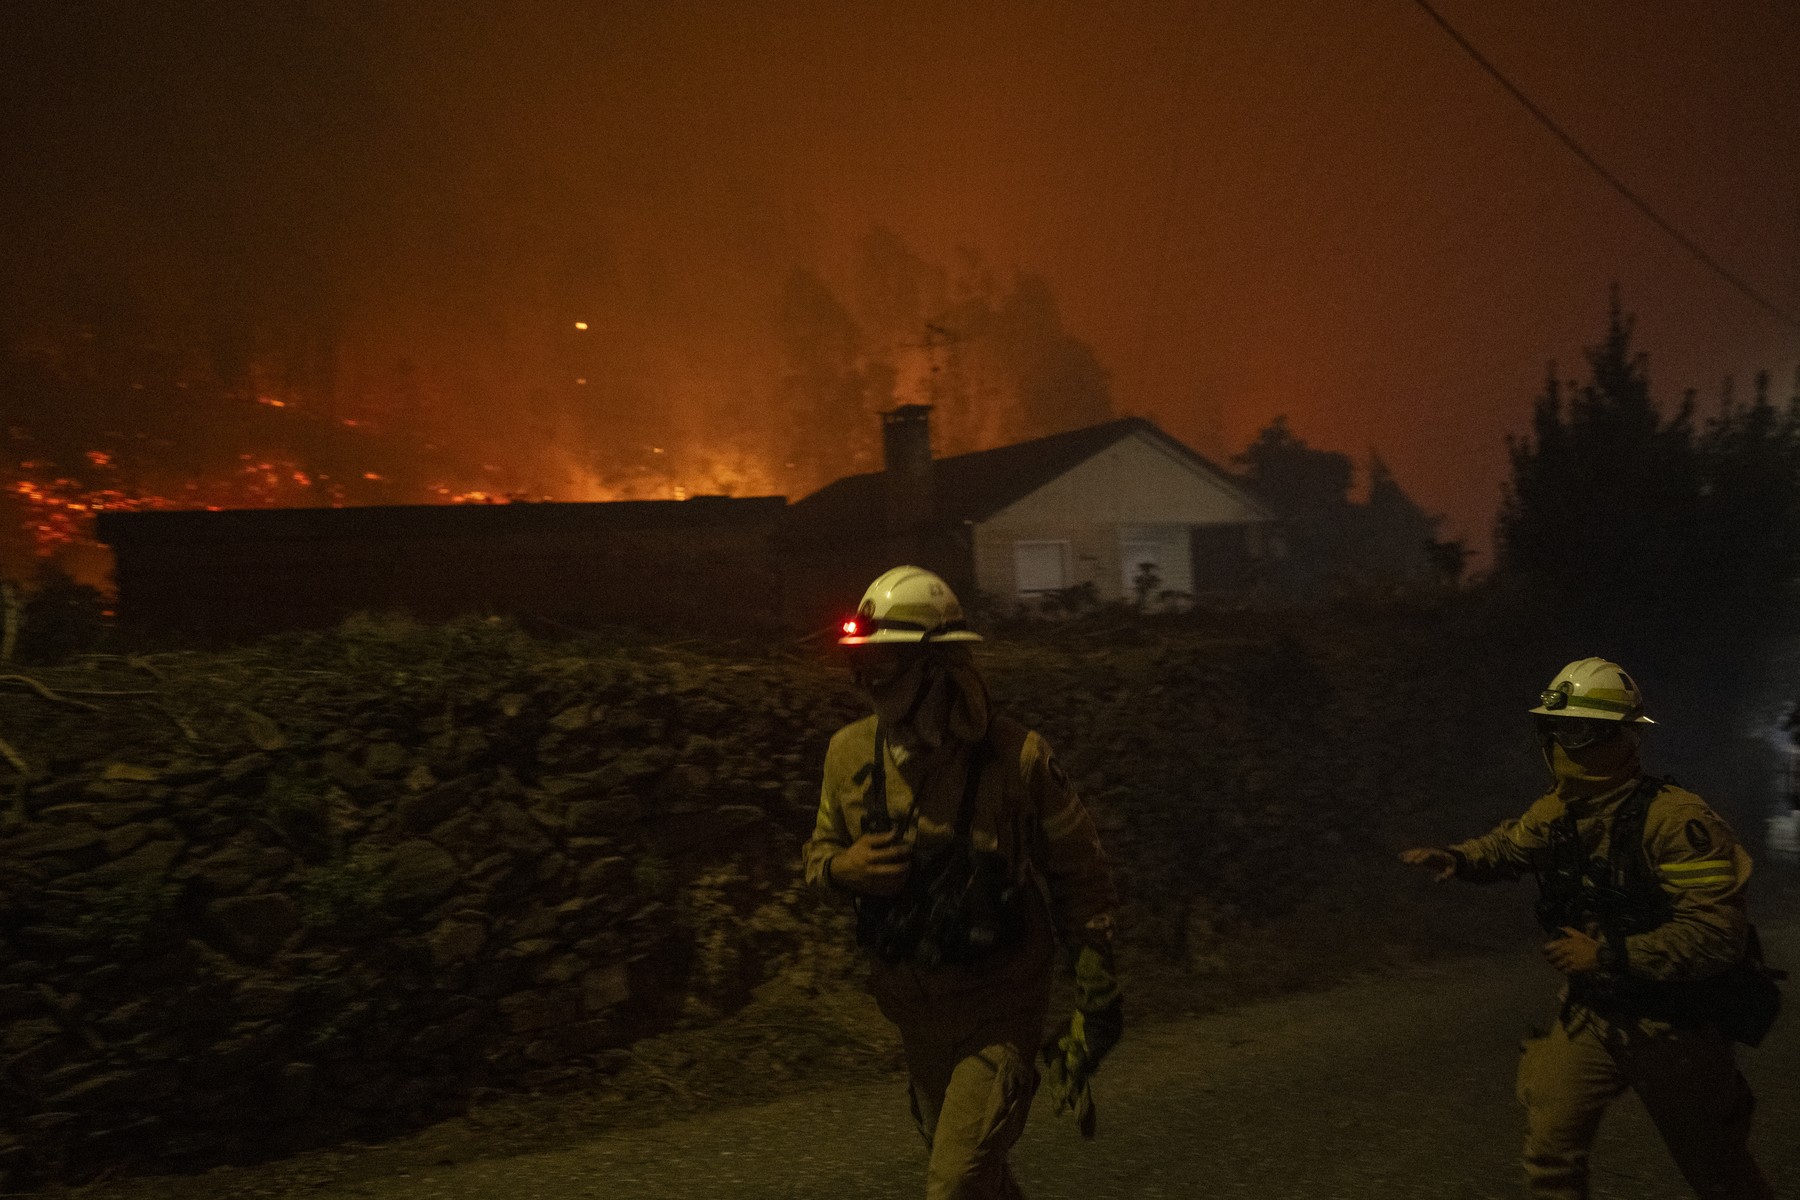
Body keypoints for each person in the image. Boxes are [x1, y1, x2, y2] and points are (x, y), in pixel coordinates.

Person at [1401, 657, 1777, 1200]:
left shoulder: (1677, 821)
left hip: (1676, 1023)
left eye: (1574, 729)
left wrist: (1607, 955)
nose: (1558, 743)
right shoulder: (1562, 809)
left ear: (1617, 737)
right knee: (1550, 1152)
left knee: (1717, 1171)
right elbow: (1513, 845)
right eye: (1553, 728)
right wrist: (1459, 859)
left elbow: (1717, 935)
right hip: (1597, 1012)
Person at [804, 565, 1120, 1200]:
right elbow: (818, 857)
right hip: (913, 1009)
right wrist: (844, 869)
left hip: (997, 1005)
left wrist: (1097, 996)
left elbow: (1080, 873)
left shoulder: (1019, 760)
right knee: (977, 1177)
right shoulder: (847, 755)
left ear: (939, 666)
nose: (867, 679)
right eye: (859, 663)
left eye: (885, 662)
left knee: (954, 1184)